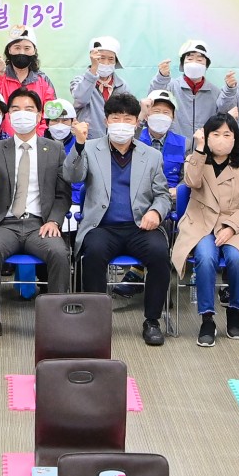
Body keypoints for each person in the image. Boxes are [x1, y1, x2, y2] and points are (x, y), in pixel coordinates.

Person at [63, 92, 174, 346]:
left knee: (160, 254)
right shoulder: (90, 148)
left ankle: (152, 321)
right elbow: (72, 176)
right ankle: (95, 322)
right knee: (93, 254)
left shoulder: (151, 155)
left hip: (139, 227)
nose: (121, 124)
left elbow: (162, 195)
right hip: (102, 227)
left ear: (136, 122)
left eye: (127, 118)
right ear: (106, 121)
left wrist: (156, 212)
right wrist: (78, 144)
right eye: (116, 118)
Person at [0, 86, 71, 345]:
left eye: (28, 109)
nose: (22, 114)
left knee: (59, 253)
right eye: (15, 109)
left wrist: (54, 220)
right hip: (5, 223)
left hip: (40, 224)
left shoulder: (55, 149)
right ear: (8, 116)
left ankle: (55, 320)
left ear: (39, 116)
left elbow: (63, 194)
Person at [173, 113, 239, 345]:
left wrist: (231, 228)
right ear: (206, 136)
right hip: (201, 222)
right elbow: (191, 182)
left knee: (237, 258)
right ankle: (207, 317)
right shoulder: (196, 158)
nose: (221, 139)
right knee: (205, 257)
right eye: (215, 134)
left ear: (235, 138)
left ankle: (234, 309)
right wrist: (199, 148)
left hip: (234, 223)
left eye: (227, 134)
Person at [146, 39, 221, 138]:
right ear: (182, 63)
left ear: (206, 65)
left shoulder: (215, 92)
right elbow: (151, 99)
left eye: (199, 60)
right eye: (190, 59)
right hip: (174, 144)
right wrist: (162, 77)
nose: (194, 63)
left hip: (203, 145)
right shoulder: (170, 86)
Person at [0, 27, 58, 113]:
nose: (22, 52)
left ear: (34, 51)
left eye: (27, 48)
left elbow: (51, 112)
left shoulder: (43, 80)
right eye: (17, 48)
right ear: (9, 50)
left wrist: (37, 122)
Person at [71, 36, 130, 136]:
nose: (106, 63)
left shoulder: (122, 86)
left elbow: (127, 113)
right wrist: (94, 69)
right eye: (101, 58)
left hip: (115, 139)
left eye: (111, 59)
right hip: (87, 139)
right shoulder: (79, 81)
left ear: (116, 62)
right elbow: (80, 99)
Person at [139, 89, 186, 187]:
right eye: (156, 111)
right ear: (146, 116)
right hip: (141, 193)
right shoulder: (136, 139)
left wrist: (178, 190)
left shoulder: (184, 144)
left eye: (166, 112)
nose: (161, 116)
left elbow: (186, 177)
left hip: (170, 194)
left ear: (173, 117)